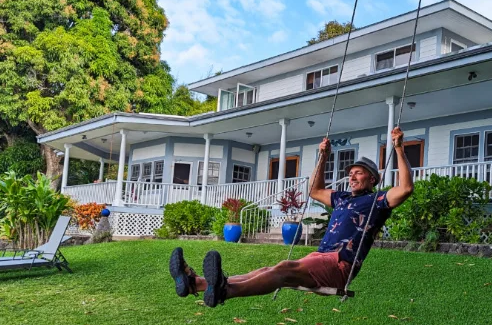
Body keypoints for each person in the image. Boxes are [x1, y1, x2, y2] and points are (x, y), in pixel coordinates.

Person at [169, 127, 415, 307]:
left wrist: (399, 148)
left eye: (358, 173)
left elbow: (405, 189)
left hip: (340, 264)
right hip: (320, 257)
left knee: (284, 269)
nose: (352, 177)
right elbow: (315, 191)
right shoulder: (342, 198)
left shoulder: (377, 201)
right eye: (350, 173)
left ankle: (224, 291)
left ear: (372, 179)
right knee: (271, 268)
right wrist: (323, 157)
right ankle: (198, 283)